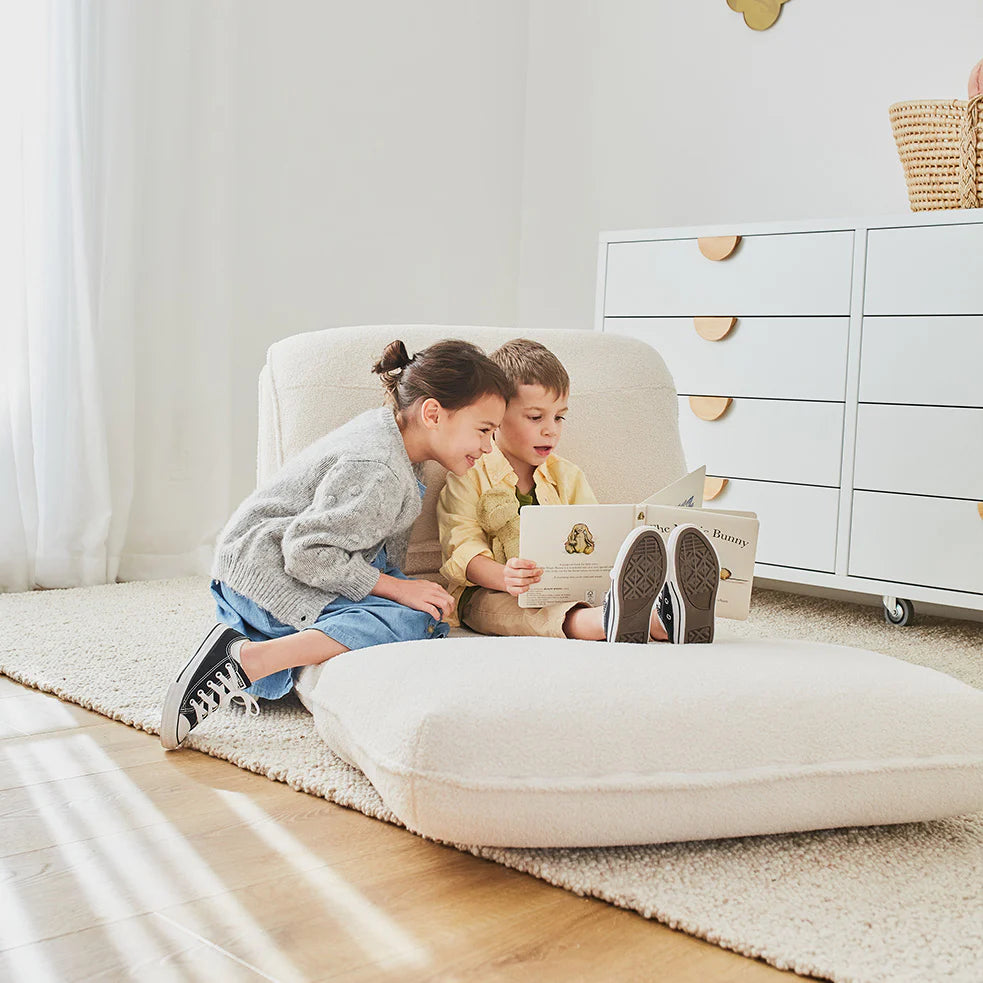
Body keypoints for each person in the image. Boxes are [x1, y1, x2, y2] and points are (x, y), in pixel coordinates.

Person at [160, 338, 512, 750]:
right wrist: (397, 588)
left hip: (269, 560)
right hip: (266, 573)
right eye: (484, 431)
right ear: (433, 413)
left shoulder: (393, 438)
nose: (489, 447)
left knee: (416, 607)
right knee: (412, 620)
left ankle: (252, 643)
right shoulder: (379, 470)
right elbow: (306, 552)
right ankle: (249, 659)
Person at [436, 338, 719, 645]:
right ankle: (605, 621)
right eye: (536, 417)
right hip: (488, 594)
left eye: (559, 417)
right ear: (498, 415)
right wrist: (505, 577)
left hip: (568, 588)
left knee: (596, 591)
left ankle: (662, 619)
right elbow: (460, 549)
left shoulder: (567, 476)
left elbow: (596, 536)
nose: (551, 429)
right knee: (523, 612)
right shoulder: (470, 473)